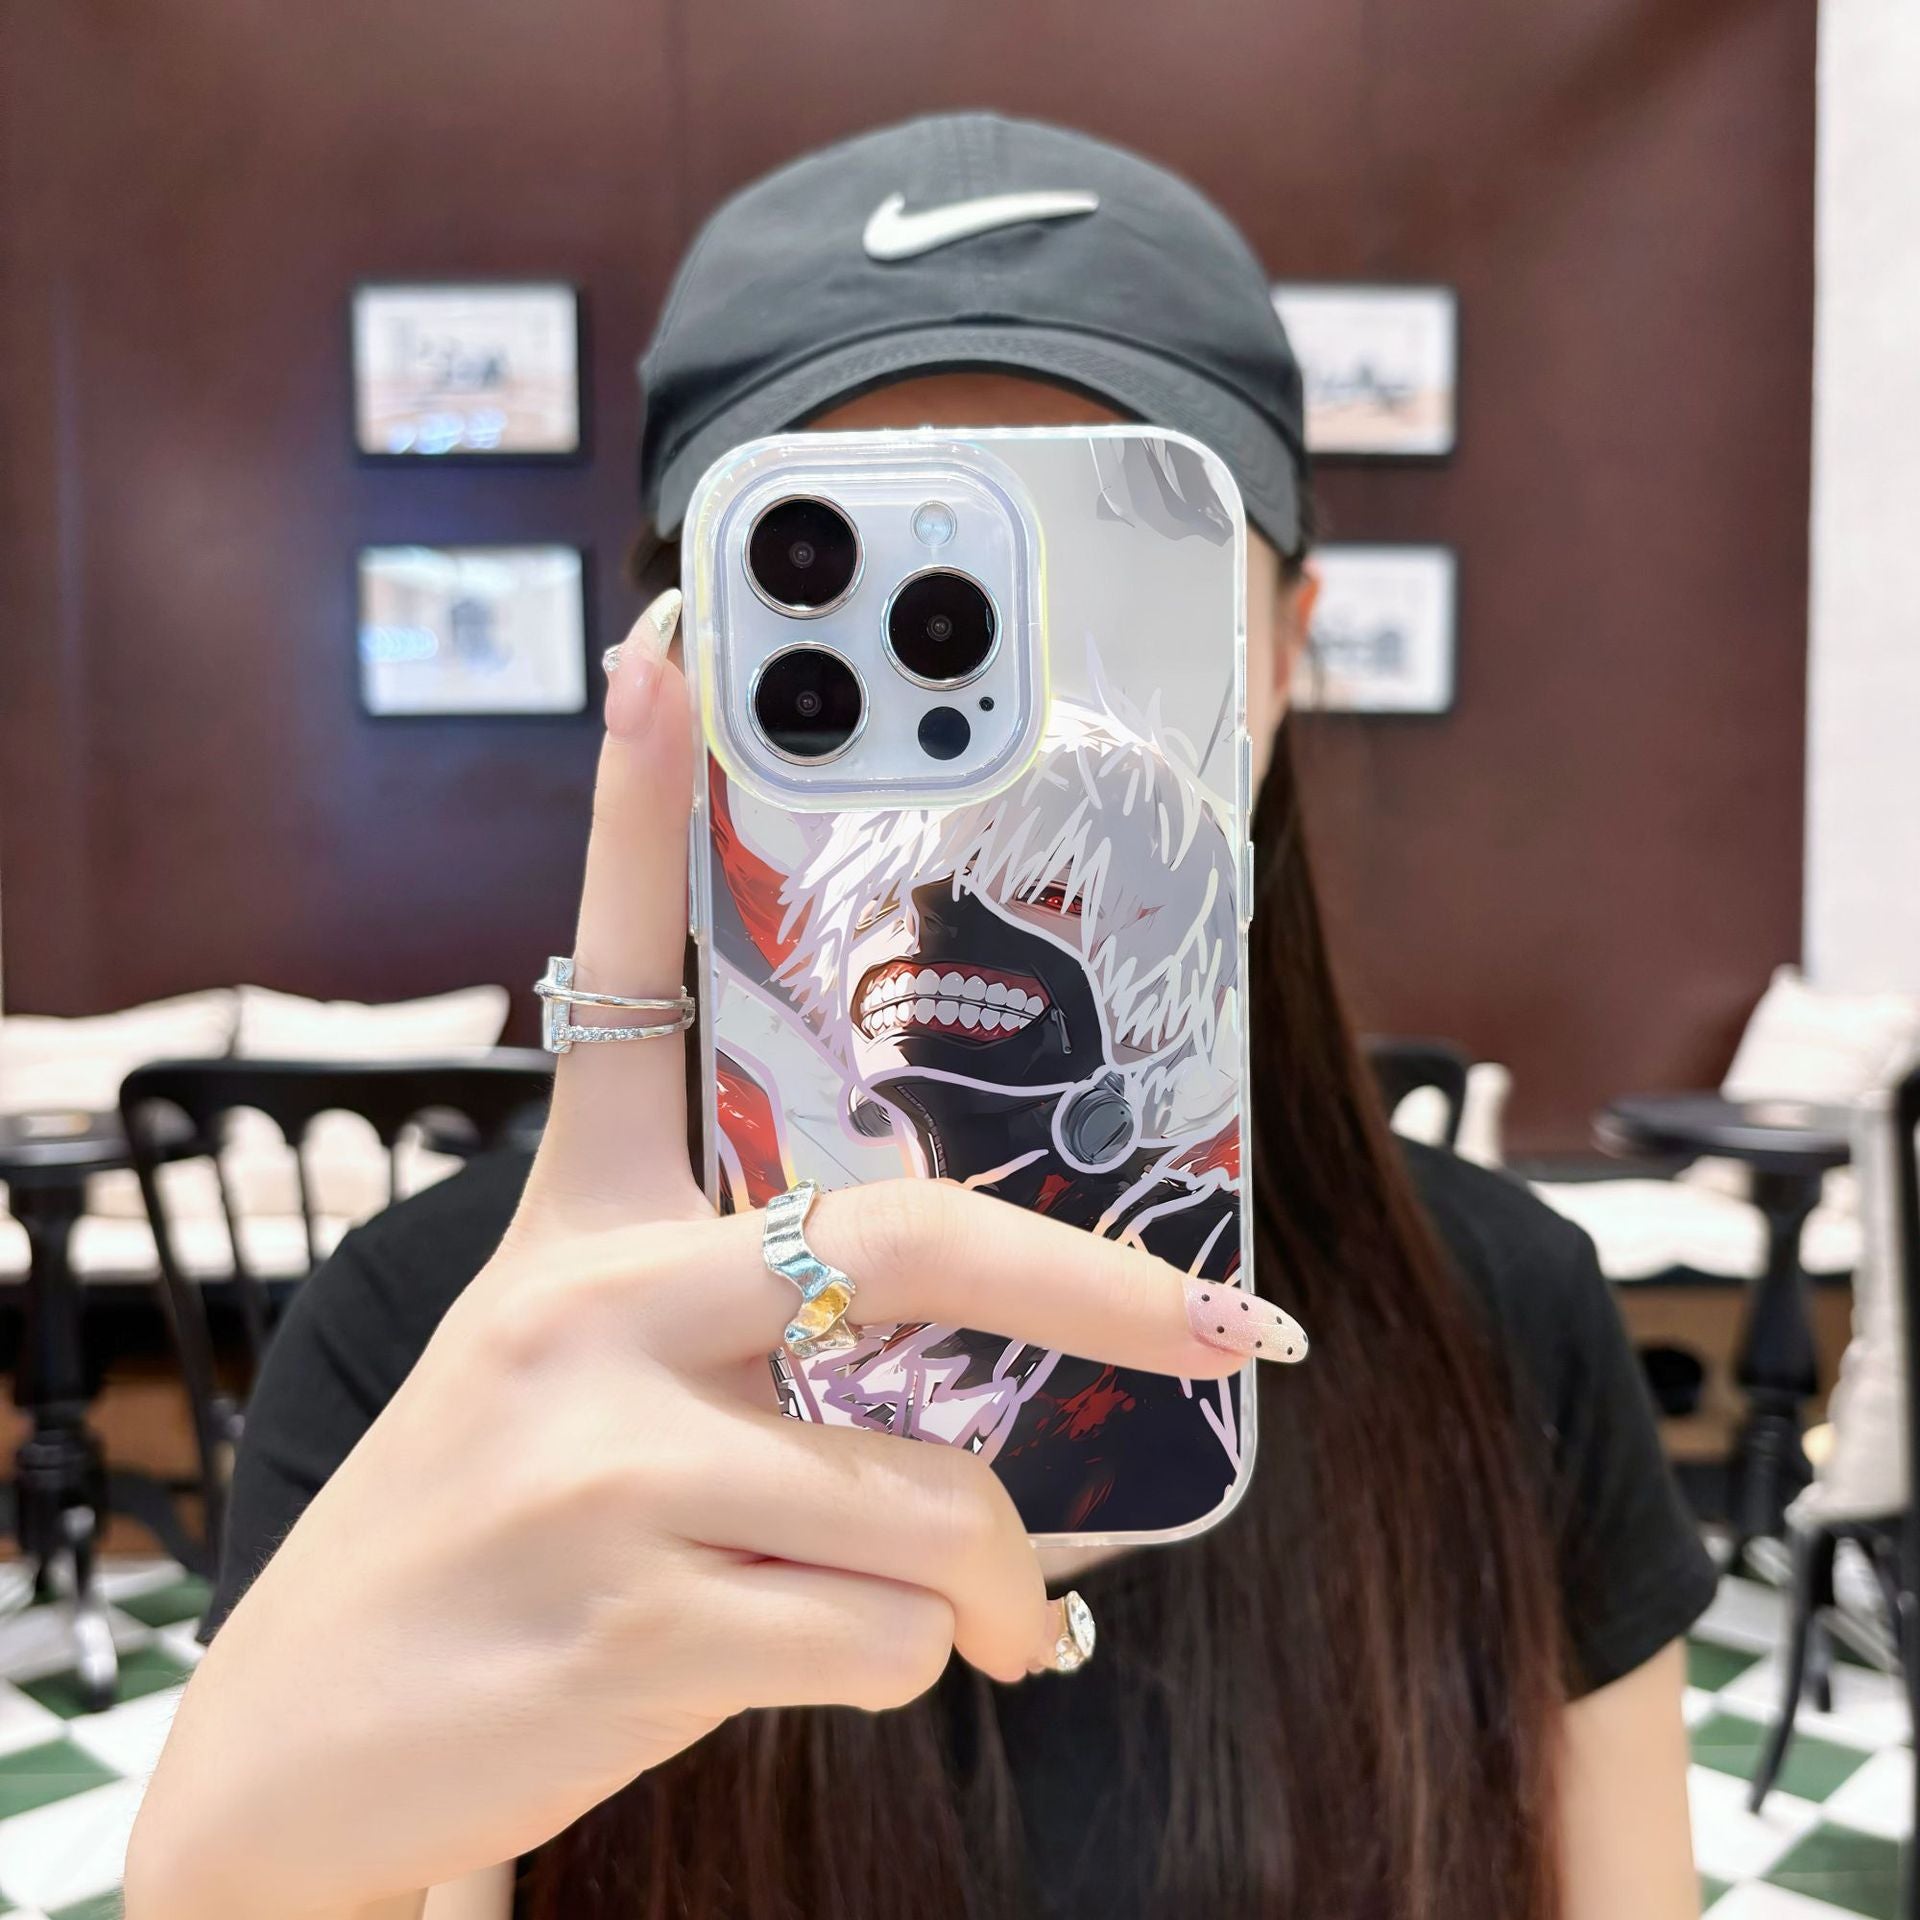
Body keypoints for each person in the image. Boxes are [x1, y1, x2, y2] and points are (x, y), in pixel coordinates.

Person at [126, 114, 1715, 1920]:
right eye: (834, 590)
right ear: (680, 657)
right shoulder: (442, 1346)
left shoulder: (1508, 1319)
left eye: (1105, 594)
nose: (994, 766)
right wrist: (243, 1871)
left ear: (1282, 650)